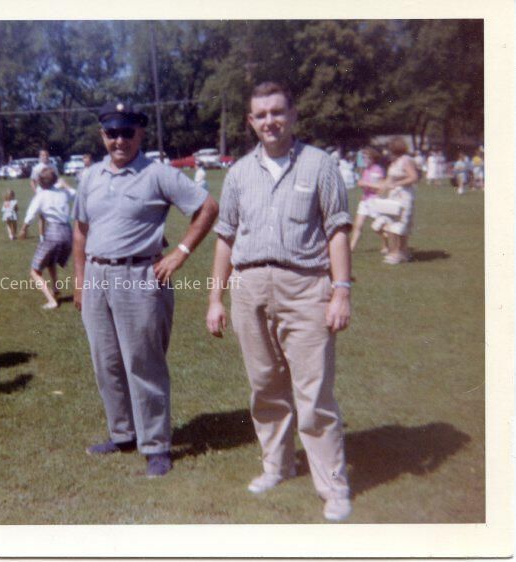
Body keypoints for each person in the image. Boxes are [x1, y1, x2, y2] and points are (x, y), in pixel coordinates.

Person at [205, 82, 353, 521]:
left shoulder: (320, 165)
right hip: (250, 288)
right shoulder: (238, 173)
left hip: (305, 288)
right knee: (265, 385)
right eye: (261, 114)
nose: (270, 121)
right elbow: (225, 238)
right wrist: (215, 299)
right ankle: (277, 466)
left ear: (292, 114)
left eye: (277, 112)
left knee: (314, 393)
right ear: (251, 122)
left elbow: (337, 230)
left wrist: (341, 291)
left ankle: (333, 487)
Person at [73, 101, 218, 478]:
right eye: (112, 133)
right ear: (102, 135)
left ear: (140, 133)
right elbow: (81, 230)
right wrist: (79, 280)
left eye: (127, 133)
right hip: (97, 276)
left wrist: (180, 253)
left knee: (143, 363)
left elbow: (207, 208)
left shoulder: (158, 174)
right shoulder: (89, 176)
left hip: (139, 275)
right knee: (106, 362)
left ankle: (156, 445)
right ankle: (122, 434)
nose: (119, 141)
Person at [18, 168, 74, 309]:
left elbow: (31, 213)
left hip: (54, 232)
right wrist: (66, 185)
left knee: (35, 271)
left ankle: (52, 301)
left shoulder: (41, 195)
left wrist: (23, 228)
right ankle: (56, 289)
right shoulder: (63, 193)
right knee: (51, 261)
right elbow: (76, 195)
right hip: (68, 232)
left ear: (39, 182)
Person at [375, 137, 419, 265]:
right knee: (391, 223)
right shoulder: (394, 161)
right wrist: (381, 190)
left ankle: (398, 253)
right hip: (393, 196)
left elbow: (414, 177)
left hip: (404, 196)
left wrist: (397, 184)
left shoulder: (406, 160)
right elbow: (389, 179)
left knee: (401, 224)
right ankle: (398, 252)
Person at [349, 147, 387, 253]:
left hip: (375, 201)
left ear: (372, 158)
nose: (364, 160)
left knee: (378, 227)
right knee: (357, 225)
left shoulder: (378, 170)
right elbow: (362, 182)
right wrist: (361, 183)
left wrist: (366, 184)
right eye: (363, 158)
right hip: (365, 200)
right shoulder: (365, 170)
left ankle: (386, 244)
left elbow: (381, 187)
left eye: (366, 158)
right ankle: (351, 248)